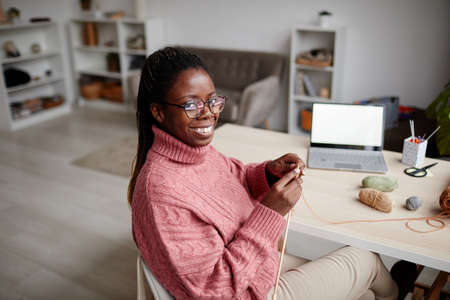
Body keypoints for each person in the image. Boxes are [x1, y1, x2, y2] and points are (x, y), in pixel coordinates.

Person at [129, 47, 414, 300]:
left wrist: (266, 173)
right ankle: (398, 294)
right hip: (248, 291)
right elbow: (217, 290)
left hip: (256, 270)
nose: (208, 114)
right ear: (158, 112)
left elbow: (233, 174)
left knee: (363, 290)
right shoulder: (162, 194)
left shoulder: (193, 151)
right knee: (365, 258)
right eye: (191, 105)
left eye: (213, 101)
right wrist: (270, 212)